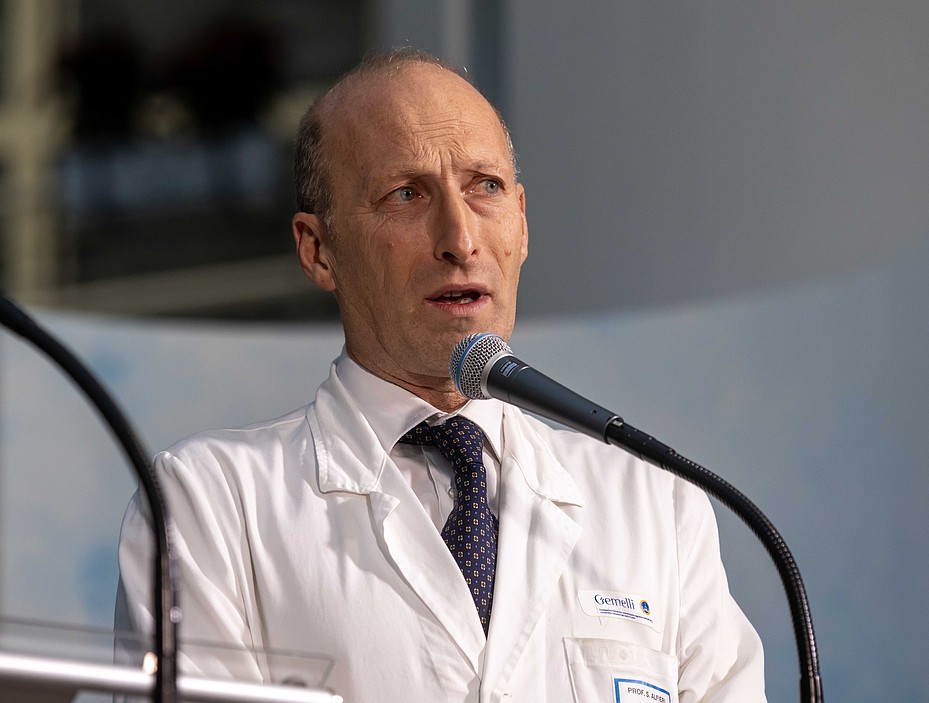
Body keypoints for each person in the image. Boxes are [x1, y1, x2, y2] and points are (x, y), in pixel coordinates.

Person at [116, 48, 766, 702]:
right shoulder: (209, 504)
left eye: (484, 187)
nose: (460, 237)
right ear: (318, 249)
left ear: (521, 223)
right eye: (406, 194)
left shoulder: (658, 505)